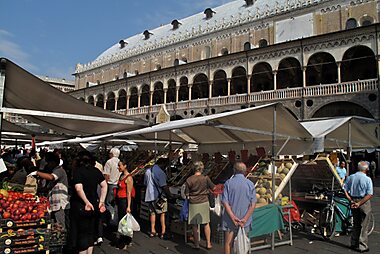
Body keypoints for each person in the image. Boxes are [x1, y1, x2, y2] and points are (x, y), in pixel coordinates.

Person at [69, 151, 107, 254]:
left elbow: (78, 188)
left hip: (81, 206)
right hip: (94, 205)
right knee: (90, 232)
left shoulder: (78, 171)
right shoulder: (96, 171)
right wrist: (102, 201)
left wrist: (86, 201)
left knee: (81, 234)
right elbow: (104, 185)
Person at [221, 162, 256, 254]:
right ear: (245, 171)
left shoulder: (228, 183)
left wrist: (233, 217)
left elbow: (225, 202)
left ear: (234, 170)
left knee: (228, 243)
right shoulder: (250, 184)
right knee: (244, 243)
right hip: (245, 219)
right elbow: (253, 204)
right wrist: (245, 218)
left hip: (230, 219)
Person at [343, 161, 373, 253]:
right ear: (366, 169)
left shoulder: (351, 177)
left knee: (356, 223)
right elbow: (369, 194)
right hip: (363, 202)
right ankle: (362, 246)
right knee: (364, 224)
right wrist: (360, 203)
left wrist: (350, 200)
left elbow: (344, 189)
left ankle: (353, 242)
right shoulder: (367, 179)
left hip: (353, 200)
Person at [184, 161, 215, 249]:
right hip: (204, 202)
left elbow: (186, 194)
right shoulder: (205, 178)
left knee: (194, 225)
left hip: (193, 203)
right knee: (206, 223)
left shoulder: (189, 179)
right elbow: (213, 187)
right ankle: (208, 243)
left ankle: (196, 244)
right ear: (202, 168)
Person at [36, 152, 70, 230]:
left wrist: (37, 173)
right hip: (54, 203)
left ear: (53, 162)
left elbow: (51, 177)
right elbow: (48, 187)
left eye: (48, 162)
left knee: (61, 225)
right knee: (56, 224)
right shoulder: (54, 171)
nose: (47, 164)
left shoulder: (59, 170)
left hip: (60, 203)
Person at [144, 157, 170, 239]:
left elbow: (145, 183)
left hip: (149, 195)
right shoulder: (161, 172)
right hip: (159, 196)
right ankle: (163, 232)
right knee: (162, 213)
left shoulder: (148, 171)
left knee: (152, 213)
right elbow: (164, 186)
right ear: (163, 164)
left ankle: (152, 230)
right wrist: (170, 194)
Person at [115, 159, 135, 250]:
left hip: (125, 201)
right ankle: (123, 240)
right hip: (119, 200)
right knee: (121, 221)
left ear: (125, 166)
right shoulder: (121, 176)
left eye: (120, 165)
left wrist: (129, 206)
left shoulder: (129, 178)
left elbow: (129, 193)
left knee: (124, 223)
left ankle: (125, 241)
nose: (118, 167)